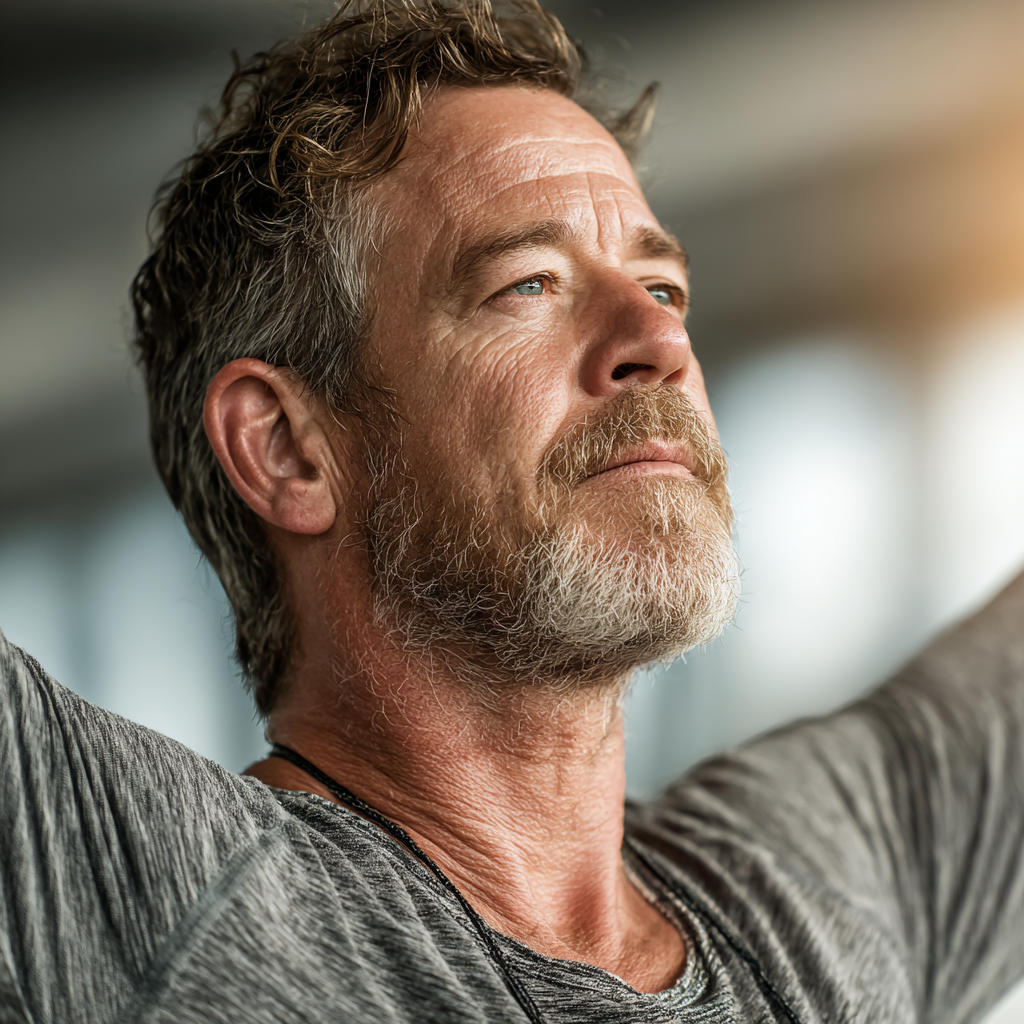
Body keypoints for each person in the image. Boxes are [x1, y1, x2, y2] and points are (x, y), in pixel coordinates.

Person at [2, 1, 1022, 1021]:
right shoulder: (140, 886)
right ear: (286, 449)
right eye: (526, 284)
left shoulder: (822, 891)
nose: (654, 342)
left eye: (662, 288)